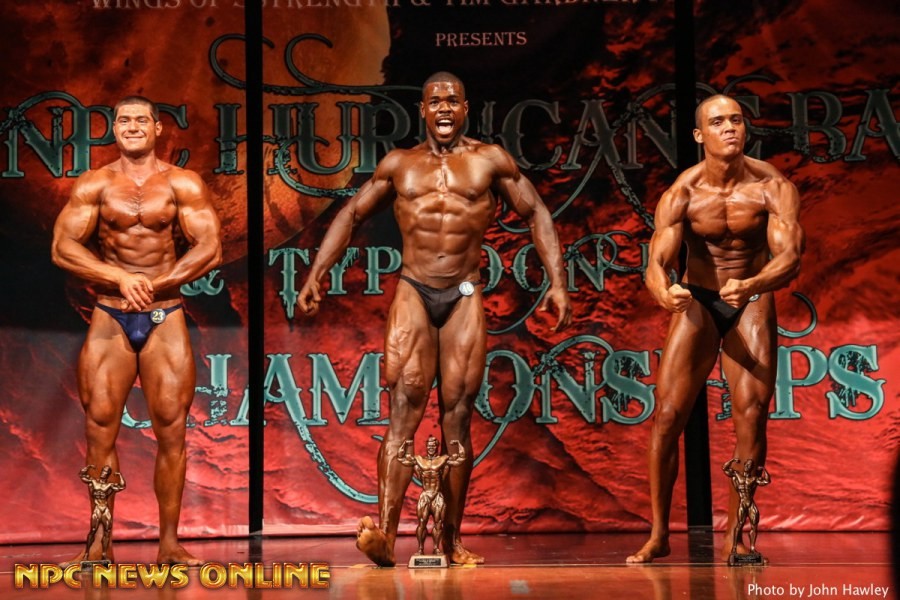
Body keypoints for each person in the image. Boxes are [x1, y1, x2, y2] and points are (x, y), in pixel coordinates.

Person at [298, 71, 572, 566]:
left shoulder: (490, 160)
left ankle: (450, 540)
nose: (444, 108)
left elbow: (536, 212)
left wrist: (556, 280)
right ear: (422, 111)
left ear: (465, 108)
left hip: (464, 292)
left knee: (458, 415)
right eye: (435, 101)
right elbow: (352, 213)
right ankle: (385, 534)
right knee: (404, 407)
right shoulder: (399, 164)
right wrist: (317, 272)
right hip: (414, 289)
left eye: (452, 100)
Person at [626, 94, 804, 564]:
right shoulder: (683, 192)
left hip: (751, 299)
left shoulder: (772, 186)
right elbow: (656, 262)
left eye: (736, 120)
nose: (729, 128)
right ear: (699, 135)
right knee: (668, 416)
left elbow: (790, 258)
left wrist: (753, 283)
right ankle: (659, 534)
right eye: (718, 121)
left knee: (751, 414)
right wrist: (664, 292)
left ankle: (737, 536)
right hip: (700, 299)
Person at [52, 96, 222, 565]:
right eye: (123, 120)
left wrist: (155, 285)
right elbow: (63, 246)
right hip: (111, 313)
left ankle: (169, 544)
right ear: (114, 129)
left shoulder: (182, 183)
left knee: (172, 430)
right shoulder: (96, 184)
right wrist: (119, 278)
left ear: (157, 128)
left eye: (140, 120)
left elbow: (209, 246)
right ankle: (98, 544)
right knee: (99, 428)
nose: (132, 127)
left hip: (165, 314)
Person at [397, 436, 466, 556]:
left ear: (437, 446)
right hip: (425, 495)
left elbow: (461, 458)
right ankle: (420, 549)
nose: (431, 448)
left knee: (438, 523)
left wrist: (458, 444)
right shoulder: (419, 459)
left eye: (433, 446)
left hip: (437, 495)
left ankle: (436, 548)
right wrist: (404, 445)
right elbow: (400, 458)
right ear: (426, 446)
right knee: (422, 522)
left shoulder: (443, 459)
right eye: (429, 445)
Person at [722, 458, 770, 557]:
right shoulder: (737, 475)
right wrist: (732, 461)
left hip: (750, 503)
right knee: (739, 524)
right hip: (742, 503)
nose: (748, 466)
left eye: (750, 465)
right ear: (744, 465)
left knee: (754, 526)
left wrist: (764, 470)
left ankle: (752, 548)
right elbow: (725, 469)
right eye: (747, 464)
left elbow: (766, 481)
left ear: (752, 468)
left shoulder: (754, 479)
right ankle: (734, 548)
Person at [80, 465, 126, 562]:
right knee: (93, 530)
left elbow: (122, 486)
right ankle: (87, 553)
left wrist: (120, 476)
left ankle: (104, 554)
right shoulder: (93, 482)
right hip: (97, 509)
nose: (103, 473)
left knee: (107, 531)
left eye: (106, 472)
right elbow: (82, 476)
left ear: (108, 474)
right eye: (103, 471)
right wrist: (88, 468)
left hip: (105, 509)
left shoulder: (109, 485)